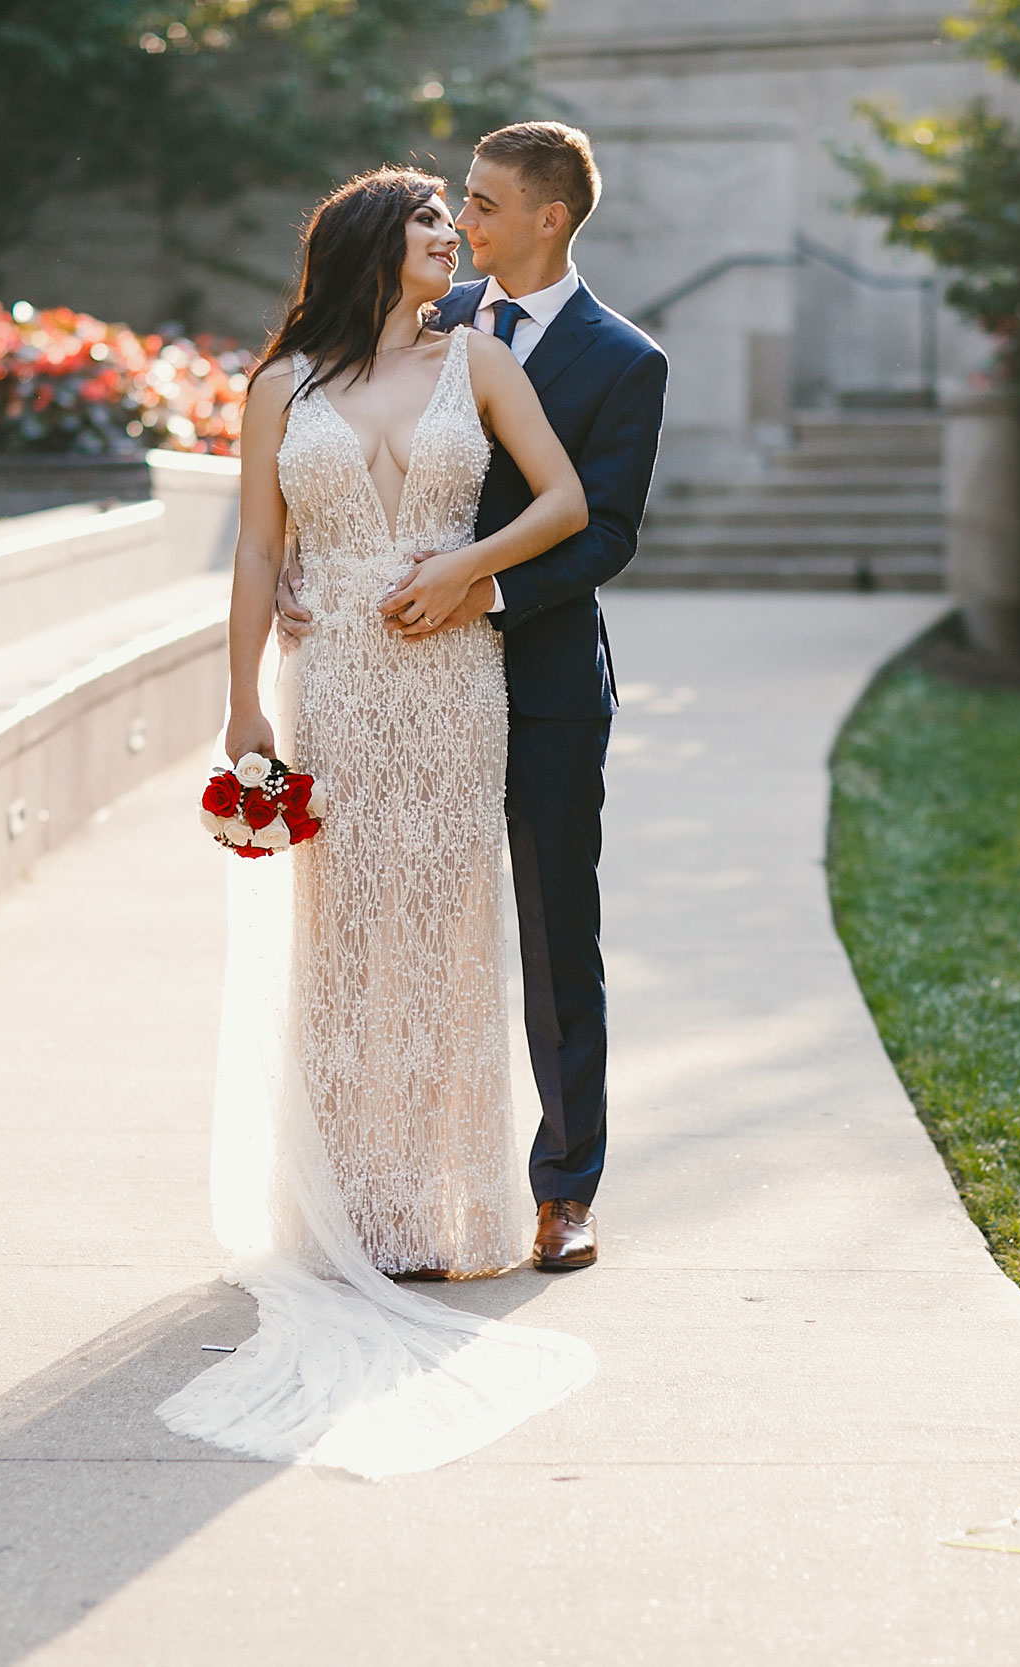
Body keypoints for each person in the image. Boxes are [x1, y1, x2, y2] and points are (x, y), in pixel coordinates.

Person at [158, 165, 605, 1477]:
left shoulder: (480, 359)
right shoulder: (280, 388)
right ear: (370, 247)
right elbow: (254, 549)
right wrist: (241, 697)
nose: (451, 238)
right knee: (348, 936)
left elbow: (563, 500)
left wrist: (470, 566)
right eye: (427, 225)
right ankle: (351, 1206)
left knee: (449, 924)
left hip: (456, 678)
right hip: (340, 680)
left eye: (452, 222)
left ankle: (443, 1202)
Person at [279, 121, 670, 1275]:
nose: (463, 219)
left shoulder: (622, 359)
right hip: (390, 684)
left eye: (486, 204)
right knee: (388, 930)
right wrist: (310, 556)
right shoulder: (425, 318)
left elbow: (603, 531)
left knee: (557, 940)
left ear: (549, 218)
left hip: (539, 679)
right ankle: (390, 1190)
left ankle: (564, 1191)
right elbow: (335, 439)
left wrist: (475, 589)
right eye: (457, 204)